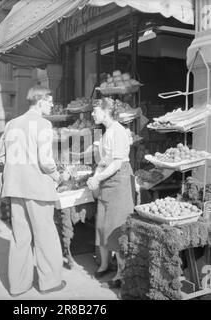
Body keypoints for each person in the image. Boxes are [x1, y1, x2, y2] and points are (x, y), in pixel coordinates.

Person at [0, 85, 65, 296]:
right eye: (50, 101)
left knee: (20, 238)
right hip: (37, 188)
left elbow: (0, 158)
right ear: (40, 100)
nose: (52, 104)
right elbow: (46, 161)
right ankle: (50, 282)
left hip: (16, 188)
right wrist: (57, 175)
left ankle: (18, 286)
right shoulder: (43, 124)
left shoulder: (12, 124)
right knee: (46, 236)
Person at [86, 97, 135, 289]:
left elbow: (116, 163)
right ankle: (105, 265)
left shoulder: (118, 131)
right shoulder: (106, 133)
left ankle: (121, 273)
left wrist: (97, 178)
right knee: (102, 225)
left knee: (118, 227)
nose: (92, 113)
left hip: (120, 183)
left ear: (106, 112)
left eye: (95, 110)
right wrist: (96, 176)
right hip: (107, 181)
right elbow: (104, 162)